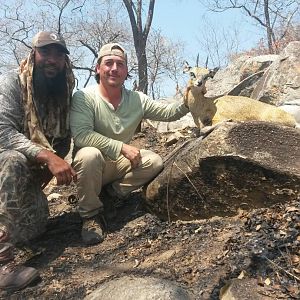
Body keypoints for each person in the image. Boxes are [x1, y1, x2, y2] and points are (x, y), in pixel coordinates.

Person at [70, 43, 189, 246]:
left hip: (118, 164)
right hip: (92, 167)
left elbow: (169, 113)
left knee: (153, 161)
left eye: (120, 64)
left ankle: (111, 195)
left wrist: (189, 99)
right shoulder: (84, 97)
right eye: (108, 63)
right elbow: (81, 135)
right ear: (98, 68)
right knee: (89, 154)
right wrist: (121, 147)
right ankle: (90, 215)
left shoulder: (137, 99)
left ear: (126, 71)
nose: (114, 68)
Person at [0, 31, 76, 291]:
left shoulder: (64, 90)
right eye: (46, 52)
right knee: (12, 159)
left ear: (65, 61)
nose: (52, 59)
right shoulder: (12, 82)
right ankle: (2, 265)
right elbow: (3, 132)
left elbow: (63, 139)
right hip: (5, 166)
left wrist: (48, 169)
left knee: (34, 228)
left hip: (25, 181)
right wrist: (48, 157)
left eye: (58, 54)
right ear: (34, 55)